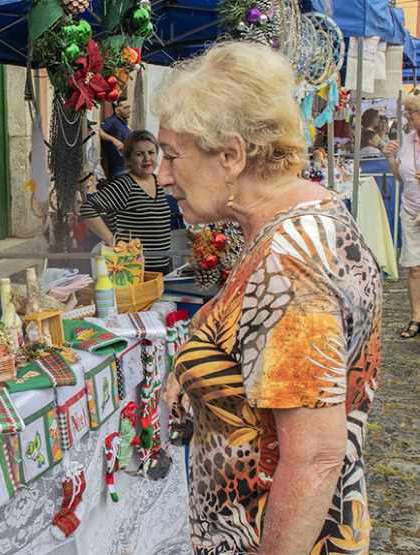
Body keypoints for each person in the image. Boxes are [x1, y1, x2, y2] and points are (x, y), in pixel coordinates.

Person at [155, 42, 382, 554]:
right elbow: (252, 333)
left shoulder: (290, 263)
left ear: (232, 155)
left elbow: (313, 460)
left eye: (172, 156)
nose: (164, 175)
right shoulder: (305, 217)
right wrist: (191, 366)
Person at [79, 129, 172, 274]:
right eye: (139, 154)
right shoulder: (125, 185)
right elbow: (87, 208)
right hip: (132, 270)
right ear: (128, 159)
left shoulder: (157, 182)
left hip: (161, 270)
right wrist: (112, 241)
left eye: (151, 152)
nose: (147, 158)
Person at [383, 90, 420, 338]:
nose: (406, 118)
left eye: (410, 113)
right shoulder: (407, 140)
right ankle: (416, 317)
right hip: (411, 210)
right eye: (405, 113)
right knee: (414, 268)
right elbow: (399, 177)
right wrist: (388, 157)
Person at [99, 95, 132, 179]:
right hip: (120, 167)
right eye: (125, 108)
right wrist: (114, 140)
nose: (129, 110)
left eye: (129, 107)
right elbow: (99, 131)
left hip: (129, 167)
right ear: (117, 110)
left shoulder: (124, 123)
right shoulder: (112, 121)